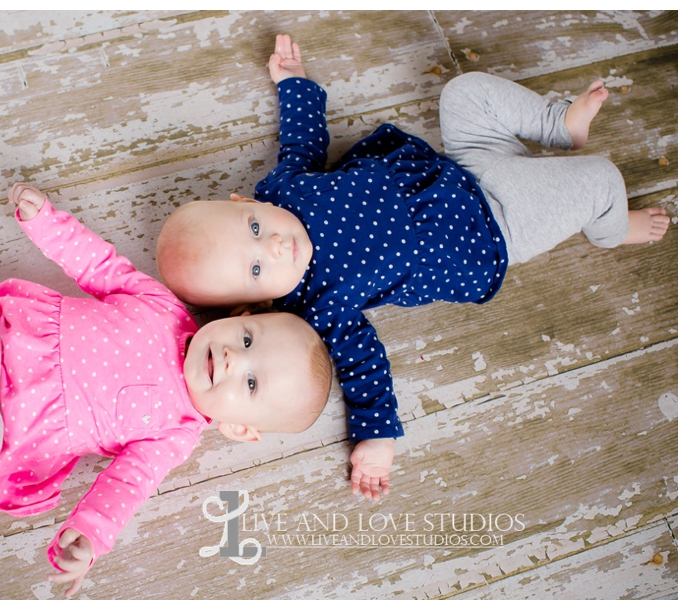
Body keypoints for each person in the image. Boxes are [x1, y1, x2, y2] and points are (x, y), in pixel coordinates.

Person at [155, 34, 669, 503]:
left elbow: (302, 142)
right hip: (494, 226)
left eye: (252, 227)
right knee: (601, 180)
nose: (273, 246)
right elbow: (364, 366)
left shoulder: (285, 188)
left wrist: (296, 85)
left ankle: (557, 126)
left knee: (463, 92)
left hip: (459, 166)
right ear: (257, 303)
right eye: (255, 268)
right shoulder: (317, 305)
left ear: (247, 200)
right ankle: (610, 228)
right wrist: (376, 439)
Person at [0, 182, 332, 597]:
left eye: (249, 381)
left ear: (239, 428)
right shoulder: (161, 305)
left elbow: (126, 488)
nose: (233, 358)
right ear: (240, 316)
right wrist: (46, 220)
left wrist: (89, 536)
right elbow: (98, 265)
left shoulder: (174, 433)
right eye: (246, 339)